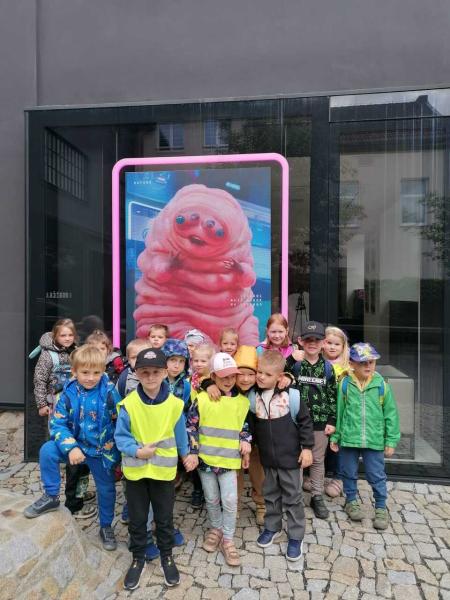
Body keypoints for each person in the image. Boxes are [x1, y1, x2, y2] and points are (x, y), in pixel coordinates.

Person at [115, 348, 198, 590]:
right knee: (138, 519)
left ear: (164, 373)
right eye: (144, 372)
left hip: (163, 472)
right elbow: (121, 437)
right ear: (137, 373)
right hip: (136, 472)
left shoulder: (174, 405)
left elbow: (180, 434)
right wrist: (136, 451)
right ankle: (138, 557)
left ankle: (166, 556)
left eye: (155, 372)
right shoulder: (128, 404)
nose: (150, 377)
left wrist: (186, 454)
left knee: (164, 518)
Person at [24, 345, 121, 552]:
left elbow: (121, 421)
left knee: (106, 489)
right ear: (75, 371)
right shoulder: (68, 393)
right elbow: (57, 424)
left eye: (96, 372)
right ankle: (51, 496)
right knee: (47, 451)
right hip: (75, 446)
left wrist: (120, 451)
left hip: (101, 451)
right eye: (85, 372)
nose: (91, 378)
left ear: (103, 371)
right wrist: (71, 448)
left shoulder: (110, 392)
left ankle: (105, 526)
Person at [248, 350, 314, 561]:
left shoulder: (291, 396)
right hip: (268, 459)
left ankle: (295, 536)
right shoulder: (253, 397)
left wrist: (307, 448)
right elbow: (250, 425)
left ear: (280, 377)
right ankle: (272, 526)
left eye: (267, 374)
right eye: (259, 372)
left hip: (291, 459)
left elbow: (305, 423)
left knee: (293, 497)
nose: (261, 377)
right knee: (271, 494)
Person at [187, 353, 251, 566]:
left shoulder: (242, 402)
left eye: (232, 376)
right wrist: (193, 452)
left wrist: (246, 443)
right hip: (206, 460)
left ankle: (228, 538)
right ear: (213, 377)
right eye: (223, 376)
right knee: (212, 498)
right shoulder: (202, 399)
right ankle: (216, 528)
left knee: (230, 500)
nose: (229, 380)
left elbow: (244, 427)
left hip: (229, 461)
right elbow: (191, 427)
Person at [330, 343, 400, 530]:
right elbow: (340, 412)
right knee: (348, 472)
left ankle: (381, 506)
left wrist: (391, 440)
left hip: (374, 439)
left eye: (371, 362)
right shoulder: (345, 384)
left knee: (376, 474)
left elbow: (391, 415)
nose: (368, 366)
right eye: (363, 362)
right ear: (352, 363)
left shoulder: (381, 386)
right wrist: (336, 436)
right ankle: (351, 501)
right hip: (349, 438)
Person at [31, 318, 95, 519]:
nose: (67, 338)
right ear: (55, 336)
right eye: (63, 335)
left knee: (81, 449)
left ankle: (78, 491)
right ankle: (69, 496)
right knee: (62, 445)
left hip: (79, 404)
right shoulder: (48, 355)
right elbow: (39, 380)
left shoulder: (76, 351)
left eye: (70, 335)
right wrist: (41, 404)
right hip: (57, 404)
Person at [291, 321, 337, 520]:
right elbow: (281, 381)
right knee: (296, 459)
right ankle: (295, 497)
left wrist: (332, 420)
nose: (312, 343)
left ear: (323, 343)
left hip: (319, 422)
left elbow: (333, 395)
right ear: (300, 341)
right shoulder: (295, 365)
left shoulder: (327, 368)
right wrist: (289, 359)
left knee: (317, 460)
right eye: (308, 339)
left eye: (316, 340)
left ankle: (317, 496)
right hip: (295, 422)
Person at [234, 345, 266, 526]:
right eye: (241, 374)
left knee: (258, 472)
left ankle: (261, 503)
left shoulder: (262, 389)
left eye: (250, 374)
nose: (245, 379)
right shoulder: (229, 389)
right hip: (234, 440)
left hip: (257, 441)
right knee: (234, 473)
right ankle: (234, 504)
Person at [322, 325, 350, 498]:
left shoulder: (348, 368)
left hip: (341, 413)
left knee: (338, 445)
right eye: (329, 343)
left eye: (336, 344)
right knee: (319, 444)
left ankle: (338, 478)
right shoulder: (317, 363)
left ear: (343, 346)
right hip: (322, 411)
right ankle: (313, 474)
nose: (332, 347)